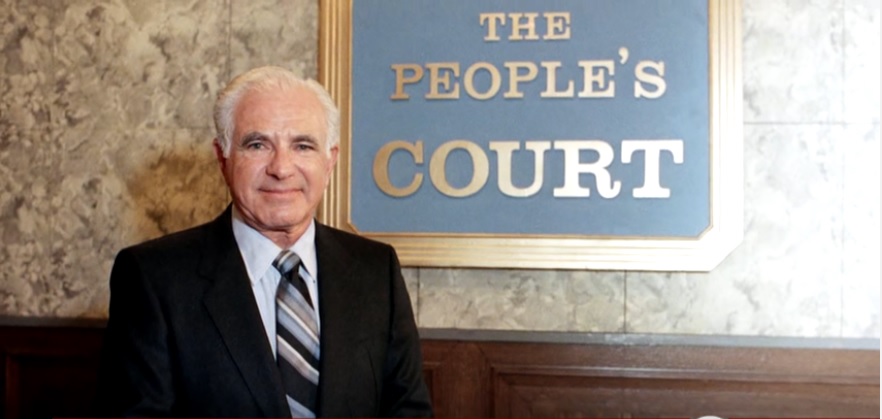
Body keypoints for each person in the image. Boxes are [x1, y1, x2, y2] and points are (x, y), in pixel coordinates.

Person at [95, 66, 433, 417]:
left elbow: (409, 411)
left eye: (303, 146)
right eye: (257, 145)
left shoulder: (375, 271)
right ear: (223, 158)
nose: (281, 168)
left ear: (330, 162)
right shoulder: (154, 278)